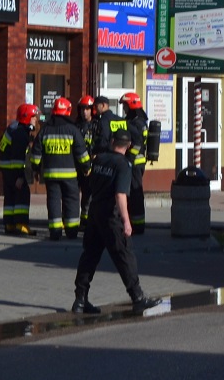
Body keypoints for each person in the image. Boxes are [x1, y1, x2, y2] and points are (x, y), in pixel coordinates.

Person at [72, 129, 159, 315]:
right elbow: (120, 195)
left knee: (89, 256)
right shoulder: (123, 165)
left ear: (112, 141)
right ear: (128, 146)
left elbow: (89, 185)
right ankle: (137, 297)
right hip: (111, 217)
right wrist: (126, 221)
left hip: (95, 213)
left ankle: (80, 299)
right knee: (125, 256)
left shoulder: (99, 160)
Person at [30, 97, 91, 240]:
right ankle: (72, 231)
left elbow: (36, 153)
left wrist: (36, 168)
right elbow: (81, 153)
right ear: (68, 111)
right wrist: (86, 167)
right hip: (70, 176)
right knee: (71, 200)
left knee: (53, 200)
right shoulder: (72, 130)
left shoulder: (45, 130)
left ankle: (55, 231)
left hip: (50, 175)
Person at [0, 103, 38, 236]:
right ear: (27, 117)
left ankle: (9, 224)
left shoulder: (14, 128)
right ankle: (21, 224)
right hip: (13, 169)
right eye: (33, 117)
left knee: (10, 196)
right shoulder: (20, 133)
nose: (35, 120)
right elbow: (18, 157)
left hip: (6, 168)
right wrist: (20, 176)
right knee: (23, 193)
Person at [121, 92, 149, 235]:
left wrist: (129, 159)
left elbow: (137, 144)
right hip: (138, 162)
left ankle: (138, 225)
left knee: (135, 194)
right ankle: (135, 223)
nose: (124, 109)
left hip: (135, 163)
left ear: (131, 105)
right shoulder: (141, 120)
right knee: (133, 193)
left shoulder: (135, 123)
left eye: (125, 105)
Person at [76, 95, 98, 229]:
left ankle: (86, 220)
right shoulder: (76, 125)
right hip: (77, 165)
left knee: (89, 194)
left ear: (92, 110)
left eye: (87, 109)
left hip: (92, 165)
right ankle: (75, 219)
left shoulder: (96, 125)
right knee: (75, 193)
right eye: (82, 109)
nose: (84, 112)